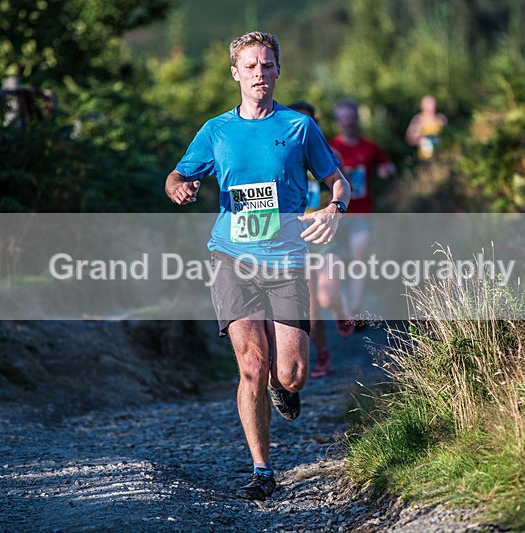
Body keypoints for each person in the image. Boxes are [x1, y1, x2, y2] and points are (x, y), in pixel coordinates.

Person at [165, 32, 351, 501]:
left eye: (267, 65)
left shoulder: (299, 126)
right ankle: (262, 468)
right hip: (231, 257)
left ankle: (281, 388)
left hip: (287, 259)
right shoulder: (216, 130)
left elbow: (337, 181)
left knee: (290, 374)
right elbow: (178, 174)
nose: (259, 74)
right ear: (235, 72)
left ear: (278, 71)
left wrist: (333, 209)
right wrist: (177, 187)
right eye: (251, 66)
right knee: (252, 365)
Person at [288, 101, 355, 379]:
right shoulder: (283, 153)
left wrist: (333, 211)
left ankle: (340, 307)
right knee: (311, 305)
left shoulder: (328, 152)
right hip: (298, 235)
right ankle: (323, 357)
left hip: (325, 232)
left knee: (326, 297)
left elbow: (343, 184)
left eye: (308, 123)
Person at [329, 99, 395, 322]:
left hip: (362, 213)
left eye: (351, 116)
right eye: (343, 117)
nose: (348, 121)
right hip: (336, 214)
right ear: (337, 121)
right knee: (337, 262)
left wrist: (387, 170)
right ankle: (338, 306)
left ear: (358, 118)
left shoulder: (370, 147)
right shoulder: (330, 148)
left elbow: (387, 165)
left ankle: (355, 312)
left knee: (359, 258)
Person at [405, 95, 448, 161]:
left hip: (442, 156)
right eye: (428, 106)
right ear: (423, 107)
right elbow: (410, 138)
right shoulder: (418, 120)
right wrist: (421, 139)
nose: (430, 109)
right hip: (425, 158)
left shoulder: (440, 119)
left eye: (432, 106)